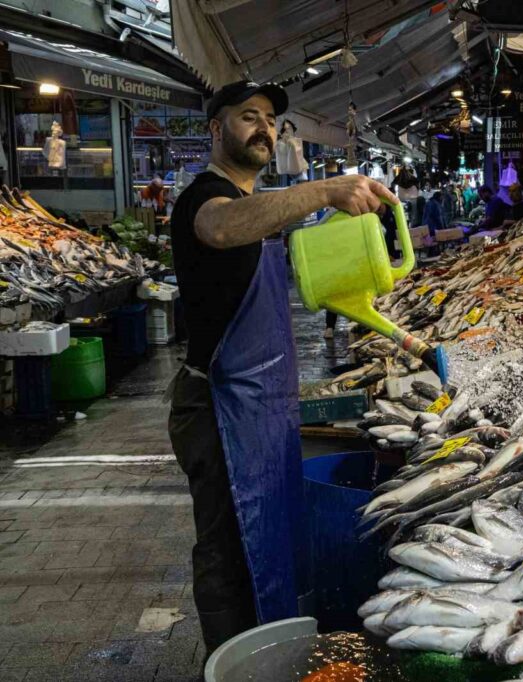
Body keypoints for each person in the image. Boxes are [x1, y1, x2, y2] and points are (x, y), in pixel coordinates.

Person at [169, 80, 396, 656]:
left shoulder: (256, 205)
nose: (264, 128)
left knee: (265, 538)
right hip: (218, 407)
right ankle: (230, 659)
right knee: (225, 547)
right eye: (248, 116)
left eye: (271, 119)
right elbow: (221, 227)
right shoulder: (207, 197)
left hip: (261, 405)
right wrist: (325, 189)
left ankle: (263, 650)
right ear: (216, 129)